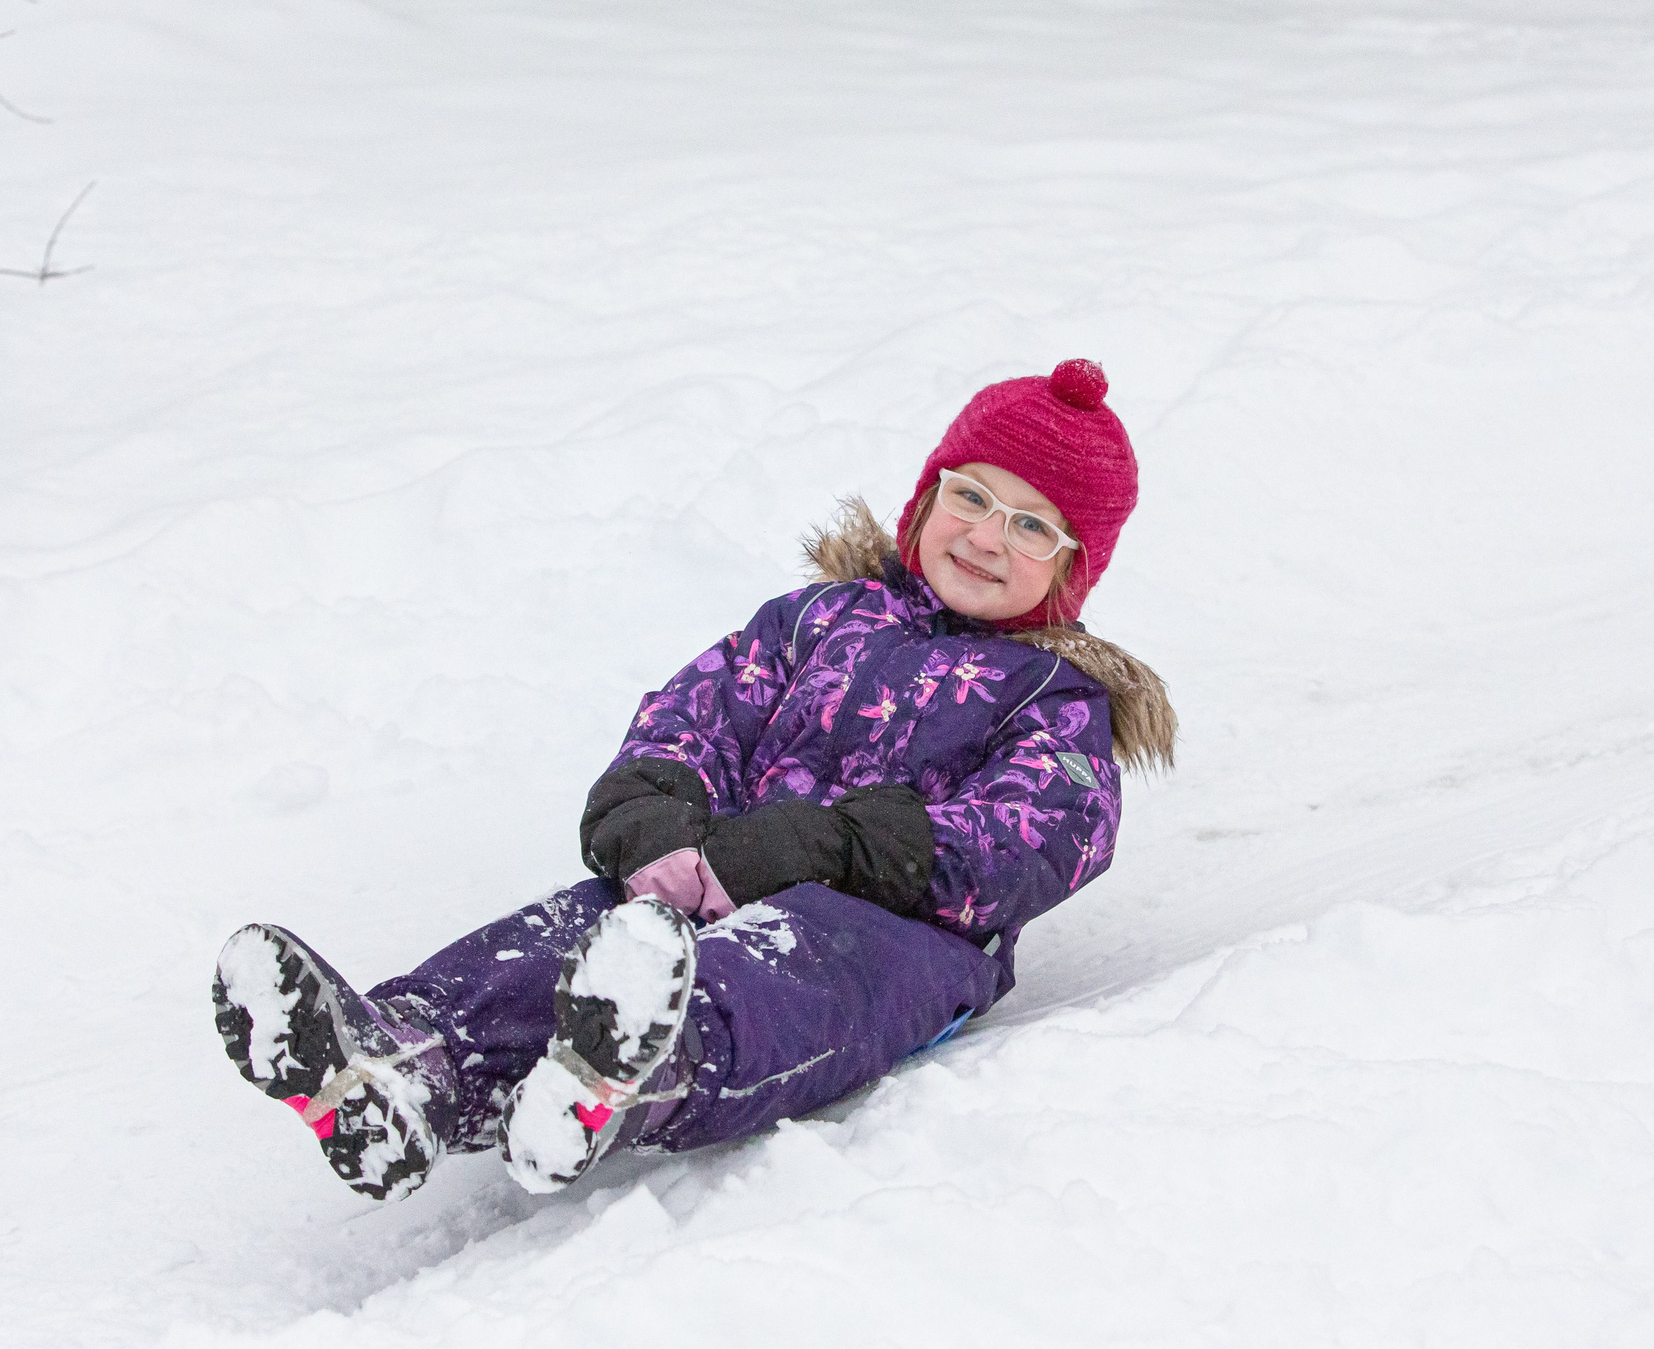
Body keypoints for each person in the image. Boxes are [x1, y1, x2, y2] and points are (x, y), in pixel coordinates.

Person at [211, 359, 1174, 1200]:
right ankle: (403, 1066)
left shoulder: (1056, 697)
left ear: (1073, 567)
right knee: (578, 928)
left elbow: (1044, 834)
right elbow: (705, 707)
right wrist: (654, 808)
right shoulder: (821, 619)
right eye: (970, 496)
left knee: (791, 969)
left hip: (899, 934)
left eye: (1032, 525)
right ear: (925, 497)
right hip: (711, 870)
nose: (987, 536)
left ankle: (631, 1067)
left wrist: (842, 842)